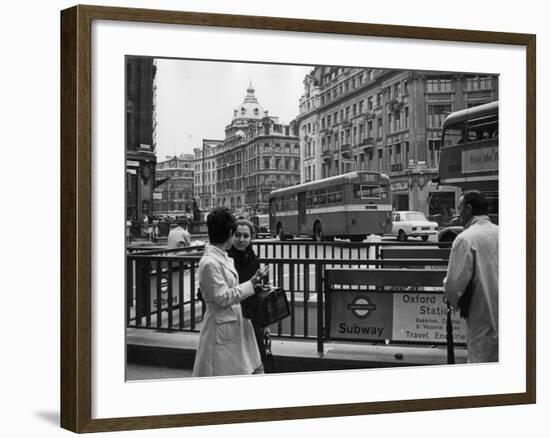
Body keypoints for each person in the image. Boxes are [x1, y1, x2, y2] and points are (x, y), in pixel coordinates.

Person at [192, 208, 267, 377]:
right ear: (229, 233)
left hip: (232, 322)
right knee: (223, 371)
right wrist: (251, 284)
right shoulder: (210, 262)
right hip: (221, 324)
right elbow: (223, 297)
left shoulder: (222, 257)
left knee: (243, 368)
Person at [444, 190, 498, 363]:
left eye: (459, 208)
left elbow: (453, 286)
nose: (457, 213)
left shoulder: (465, 239)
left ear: (468, 209)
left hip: (481, 319)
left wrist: (452, 299)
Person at [227, 218, 270, 372]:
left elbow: (258, 292)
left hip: (252, 319)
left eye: (246, 236)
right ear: (231, 236)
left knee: (256, 360)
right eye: (238, 235)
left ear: (251, 238)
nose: (241, 239)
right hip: (232, 318)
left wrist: (265, 324)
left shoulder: (253, 259)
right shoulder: (225, 260)